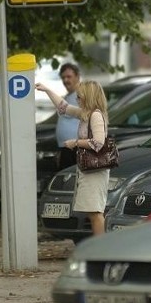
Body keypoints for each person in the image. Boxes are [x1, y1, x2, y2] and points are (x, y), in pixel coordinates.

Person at [36, 80, 109, 236]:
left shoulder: (95, 115)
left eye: (80, 96)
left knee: (95, 211)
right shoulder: (85, 114)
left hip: (95, 170)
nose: (77, 99)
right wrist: (47, 90)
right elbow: (63, 108)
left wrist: (75, 143)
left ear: (89, 96)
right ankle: (100, 246)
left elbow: (98, 143)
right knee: (92, 211)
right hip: (87, 169)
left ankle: (102, 248)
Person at [55, 63, 81, 170]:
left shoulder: (82, 95)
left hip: (77, 148)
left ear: (77, 76)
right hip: (66, 149)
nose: (66, 80)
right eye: (63, 77)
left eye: (69, 77)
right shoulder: (67, 97)